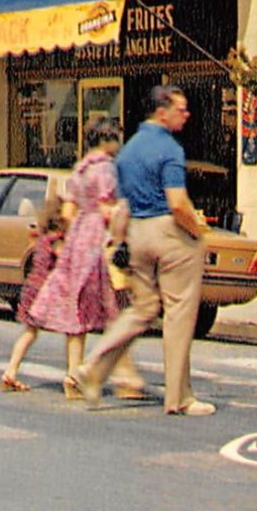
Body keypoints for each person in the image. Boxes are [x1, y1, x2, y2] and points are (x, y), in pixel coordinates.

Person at [73, 85, 214, 416]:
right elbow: (178, 203)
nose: (186, 114)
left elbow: (122, 203)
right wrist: (198, 233)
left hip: (137, 233)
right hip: (169, 232)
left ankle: (92, 365)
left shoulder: (129, 151)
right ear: (162, 112)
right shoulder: (169, 149)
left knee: (142, 309)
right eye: (181, 108)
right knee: (179, 314)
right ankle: (179, 397)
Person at [21, 117, 147, 401]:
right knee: (115, 310)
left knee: (76, 313)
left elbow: (67, 213)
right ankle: (125, 379)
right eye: (117, 138)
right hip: (99, 243)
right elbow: (107, 210)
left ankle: (72, 374)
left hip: (76, 243)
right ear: (107, 140)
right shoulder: (106, 170)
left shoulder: (79, 171)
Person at [0, 183, 66, 392]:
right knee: (71, 331)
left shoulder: (42, 239)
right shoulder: (57, 241)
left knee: (29, 332)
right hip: (43, 293)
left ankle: (11, 370)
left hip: (32, 289)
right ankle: (76, 372)